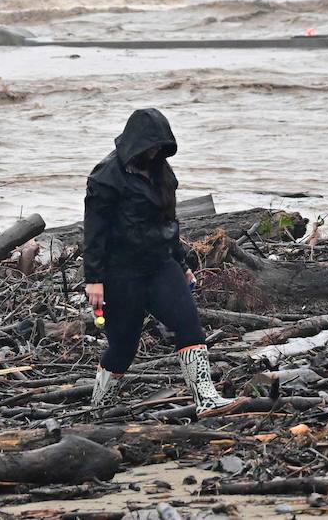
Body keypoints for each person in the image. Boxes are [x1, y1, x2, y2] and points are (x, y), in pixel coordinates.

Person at [82, 107, 238, 417]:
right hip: (120, 274)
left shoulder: (161, 172)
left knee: (188, 323)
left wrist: (183, 264)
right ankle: (100, 406)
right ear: (135, 143)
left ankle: (206, 399)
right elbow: (94, 233)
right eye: (150, 147)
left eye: (159, 147)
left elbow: (168, 224)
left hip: (159, 266)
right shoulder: (106, 177)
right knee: (123, 347)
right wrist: (94, 280)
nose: (155, 153)